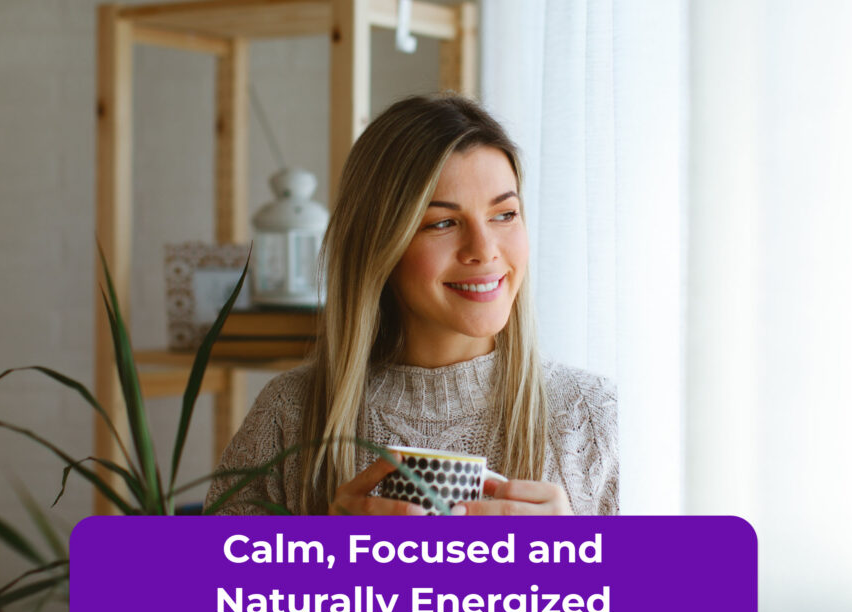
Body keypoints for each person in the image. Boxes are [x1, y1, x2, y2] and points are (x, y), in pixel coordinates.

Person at [204, 94, 618, 516]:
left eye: (505, 214)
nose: (484, 250)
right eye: (442, 223)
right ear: (380, 245)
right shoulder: (288, 416)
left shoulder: (594, 416)